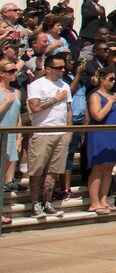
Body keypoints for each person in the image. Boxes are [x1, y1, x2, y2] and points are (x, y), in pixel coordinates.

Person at [26, 55, 72, 218]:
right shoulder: (37, 85)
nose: (62, 70)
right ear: (48, 69)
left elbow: (68, 110)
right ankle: (35, 204)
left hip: (60, 132)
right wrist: (54, 99)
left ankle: (47, 202)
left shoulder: (65, 85)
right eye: (59, 68)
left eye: (63, 67)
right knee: (37, 171)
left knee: (53, 171)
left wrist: (69, 130)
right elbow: (35, 108)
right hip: (42, 132)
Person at [85, 67, 116, 214]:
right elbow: (97, 115)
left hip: (114, 132)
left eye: (114, 79)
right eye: (110, 79)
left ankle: (104, 200)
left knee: (109, 168)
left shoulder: (114, 94)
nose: (113, 82)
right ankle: (94, 202)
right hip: (100, 134)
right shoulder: (95, 96)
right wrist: (109, 102)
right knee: (98, 167)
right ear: (102, 79)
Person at [0, 58, 21, 212]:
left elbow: (18, 117)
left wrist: (19, 137)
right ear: (1, 73)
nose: (15, 73)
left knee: (5, 180)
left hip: (11, 136)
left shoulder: (16, 92)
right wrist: (6, 103)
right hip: (1, 134)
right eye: (11, 71)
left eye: (15, 70)